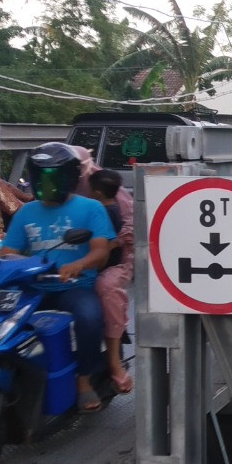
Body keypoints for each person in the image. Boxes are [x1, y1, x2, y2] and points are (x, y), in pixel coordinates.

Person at [0, 142, 115, 412]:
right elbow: (7, 252)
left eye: (54, 176)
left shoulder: (90, 209)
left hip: (74, 287)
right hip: (32, 289)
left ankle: (83, 380)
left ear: (71, 177)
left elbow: (101, 252)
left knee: (89, 319)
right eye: (42, 177)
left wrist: (78, 264)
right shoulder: (26, 212)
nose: (47, 184)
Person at [87, 168, 133, 394]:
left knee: (106, 288)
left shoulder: (102, 210)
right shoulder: (108, 205)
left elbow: (108, 243)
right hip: (91, 262)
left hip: (104, 266)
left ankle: (114, 364)